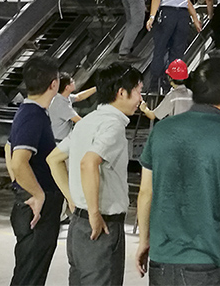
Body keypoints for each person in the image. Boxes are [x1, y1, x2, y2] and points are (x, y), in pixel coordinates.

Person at [135, 57, 220, 286]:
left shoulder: (161, 131)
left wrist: (144, 241)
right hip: (206, 262)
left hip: (162, 261)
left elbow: (145, 193)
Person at [46, 63, 144, 286]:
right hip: (101, 226)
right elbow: (89, 162)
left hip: (78, 227)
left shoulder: (87, 121)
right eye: (138, 91)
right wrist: (94, 213)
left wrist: (72, 199)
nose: (140, 99)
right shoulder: (112, 125)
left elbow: (54, 159)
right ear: (122, 92)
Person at [5, 55, 63, 286]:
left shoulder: (28, 112)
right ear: (54, 84)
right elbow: (19, 161)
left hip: (30, 202)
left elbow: (8, 147)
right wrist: (37, 194)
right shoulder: (33, 115)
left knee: (28, 273)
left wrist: (19, 184)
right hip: (37, 208)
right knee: (30, 277)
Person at [139, 0, 202, 92]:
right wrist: (195, 19)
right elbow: (188, 2)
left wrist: (151, 17)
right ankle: (170, 82)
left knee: (160, 49)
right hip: (183, 17)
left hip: (168, 14)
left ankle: (154, 85)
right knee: (177, 52)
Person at [48, 72, 97, 141]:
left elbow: (79, 97)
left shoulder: (61, 96)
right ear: (67, 87)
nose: (74, 82)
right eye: (72, 81)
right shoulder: (61, 105)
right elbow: (79, 121)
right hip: (60, 141)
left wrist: (96, 88)